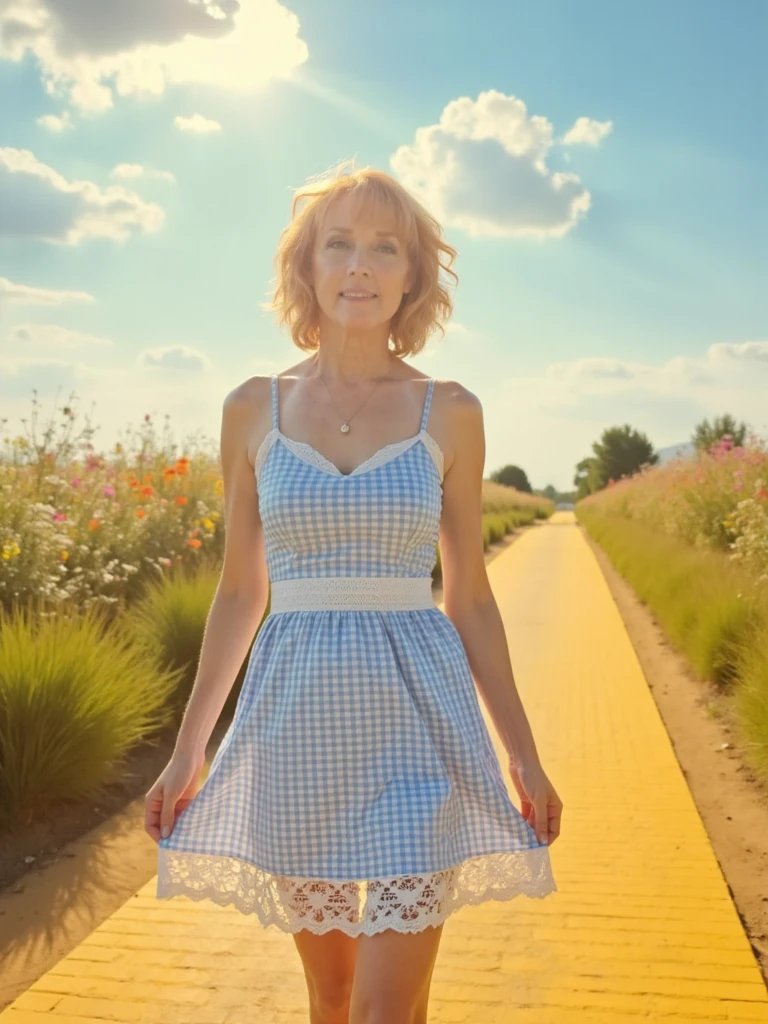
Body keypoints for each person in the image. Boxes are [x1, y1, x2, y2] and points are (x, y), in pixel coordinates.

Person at [145, 160, 562, 1024]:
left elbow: (472, 598)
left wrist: (521, 751)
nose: (361, 267)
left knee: (382, 1013)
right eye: (339, 245)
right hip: (296, 728)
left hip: (422, 726)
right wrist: (190, 752)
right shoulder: (251, 408)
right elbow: (238, 592)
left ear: (413, 276)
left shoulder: (450, 410)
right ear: (306, 266)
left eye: (385, 248)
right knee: (329, 1002)